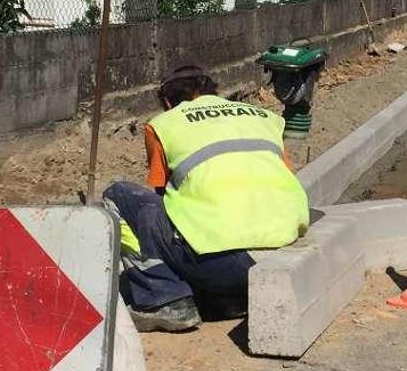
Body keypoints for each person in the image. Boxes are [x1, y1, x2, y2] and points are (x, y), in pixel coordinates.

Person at [103, 65, 309, 332]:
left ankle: (166, 300)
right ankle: (227, 297)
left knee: (121, 196)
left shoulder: (163, 124)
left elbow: (159, 194)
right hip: (283, 250)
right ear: (212, 90)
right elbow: (284, 174)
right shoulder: (263, 116)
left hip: (223, 266)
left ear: (168, 102)